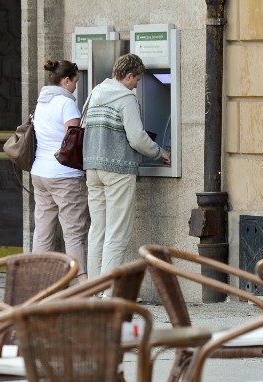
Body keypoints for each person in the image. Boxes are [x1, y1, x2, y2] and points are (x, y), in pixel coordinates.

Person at [83, 53, 171, 290]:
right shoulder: (125, 98)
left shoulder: (95, 93)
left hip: (92, 168)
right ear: (129, 75)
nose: (137, 85)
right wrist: (159, 152)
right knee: (117, 233)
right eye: (137, 80)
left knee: (97, 231)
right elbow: (137, 138)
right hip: (118, 169)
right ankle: (109, 294)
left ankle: (93, 290)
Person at [30, 60, 89, 281]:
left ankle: (36, 281)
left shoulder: (41, 102)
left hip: (40, 173)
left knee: (43, 230)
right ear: (66, 80)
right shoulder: (66, 104)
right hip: (64, 175)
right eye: (75, 82)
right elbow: (73, 140)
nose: (75, 87)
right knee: (74, 231)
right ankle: (82, 282)